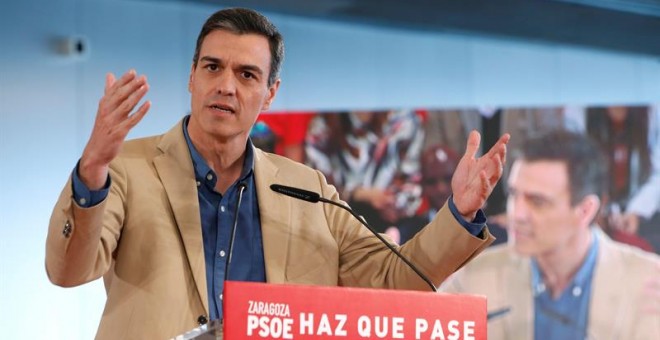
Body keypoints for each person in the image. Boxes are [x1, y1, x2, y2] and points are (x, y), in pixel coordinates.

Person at [45, 8, 509, 339]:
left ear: (270, 94)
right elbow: (68, 271)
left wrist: (460, 212)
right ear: (192, 77)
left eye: (247, 74)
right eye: (213, 67)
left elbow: (396, 277)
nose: (226, 84)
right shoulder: (125, 170)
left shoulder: (309, 190)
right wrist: (92, 169)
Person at [440, 130, 660, 340]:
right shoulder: (474, 278)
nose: (517, 214)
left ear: (585, 210)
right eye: (514, 195)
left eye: (537, 202)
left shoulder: (649, 281)